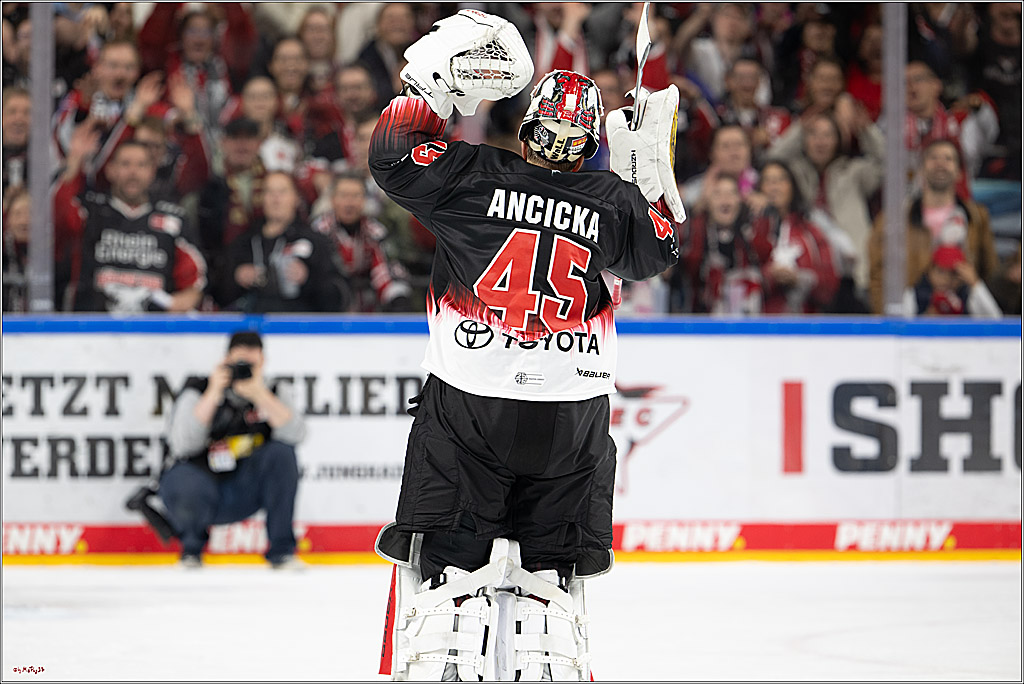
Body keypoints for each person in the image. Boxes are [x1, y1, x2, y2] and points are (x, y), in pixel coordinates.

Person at [369, 11, 681, 681]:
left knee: (448, 566)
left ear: (527, 128)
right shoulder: (611, 200)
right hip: (573, 414)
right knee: (551, 576)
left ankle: (447, 651)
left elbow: (392, 156)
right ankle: (547, 652)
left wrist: (431, 86)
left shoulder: (475, 175)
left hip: (470, 403)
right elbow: (659, 251)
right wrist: (651, 180)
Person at [160, 330, 306, 568]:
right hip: (202, 484)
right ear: (226, 360)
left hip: (244, 488)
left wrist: (260, 395)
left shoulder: (272, 391)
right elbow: (183, 445)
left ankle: (282, 551)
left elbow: (296, 435)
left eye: (251, 365)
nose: (244, 370)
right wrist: (214, 392)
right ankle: (191, 549)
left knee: (282, 454)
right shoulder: (199, 388)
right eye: (239, 364)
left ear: (263, 362)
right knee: (183, 477)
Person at [54, 132, 207, 314]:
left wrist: (177, 304)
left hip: (152, 327)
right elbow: (58, 215)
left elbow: (194, 282)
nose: (133, 172)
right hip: (93, 324)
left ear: (152, 172)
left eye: (141, 165)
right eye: (125, 164)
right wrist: (74, 160)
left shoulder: (173, 218)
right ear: (110, 170)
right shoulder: (89, 211)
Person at [869, 138, 1000, 314]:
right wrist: (888, 321)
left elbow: (989, 271)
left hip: (964, 321)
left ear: (960, 172)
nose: (940, 164)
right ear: (921, 169)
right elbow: (877, 275)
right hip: (909, 319)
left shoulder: (977, 217)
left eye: (948, 158)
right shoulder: (893, 219)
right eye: (933, 158)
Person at [217, 171, 346, 313]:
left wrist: (308, 279)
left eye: (282, 191)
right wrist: (236, 278)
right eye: (269, 192)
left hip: (298, 323)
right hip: (253, 322)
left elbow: (339, 296)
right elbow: (218, 294)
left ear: (296, 198)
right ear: (262, 198)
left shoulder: (316, 241)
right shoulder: (244, 242)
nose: (275, 198)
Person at [311, 172, 412, 313]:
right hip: (326, 311)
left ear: (364, 200)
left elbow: (384, 270)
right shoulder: (319, 231)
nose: (349, 203)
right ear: (333, 199)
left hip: (367, 312)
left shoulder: (375, 232)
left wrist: (395, 296)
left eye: (356, 196)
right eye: (344, 195)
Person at [750, 160, 838, 314]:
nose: (774, 187)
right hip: (759, 322)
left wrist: (799, 278)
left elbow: (830, 282)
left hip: (805, 322)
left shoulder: (810, 231)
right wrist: (768, 276)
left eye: (781, 180)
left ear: (792, 186)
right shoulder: (749, 229)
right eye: (768, 181)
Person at [904, 244, 1002, 319]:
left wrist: (975, 284)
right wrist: (926, 318)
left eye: (953, 273)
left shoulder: (967, 296)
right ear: (930, 271)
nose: (946, 279)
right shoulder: (914, 294)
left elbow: (996, 321)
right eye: (941, 271)